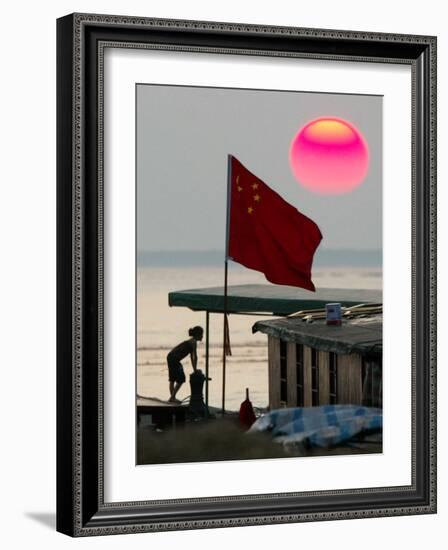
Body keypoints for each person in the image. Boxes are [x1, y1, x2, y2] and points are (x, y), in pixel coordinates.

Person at [166, 326, 203, 403]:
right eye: (201, 334)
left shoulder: (191, 341)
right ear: (197, 335)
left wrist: (194, 369)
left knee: (172, 378)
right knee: (181, 379)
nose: (202, 336)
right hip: (174, 359)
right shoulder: (193, 342)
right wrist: (195, 370)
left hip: (170, 356)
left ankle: (172, 398)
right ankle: (172, 398)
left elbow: (192, 357)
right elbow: (194, 357)